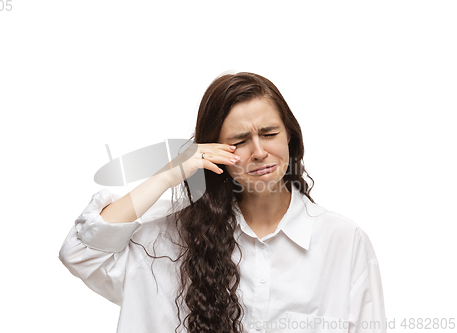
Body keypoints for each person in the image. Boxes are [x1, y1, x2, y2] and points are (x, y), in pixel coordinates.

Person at [59, 72, 386, 333]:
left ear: (290, 136)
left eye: (269, 133)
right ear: (213, 152)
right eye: (239, 142)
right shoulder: (168, 242)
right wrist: (168, 176)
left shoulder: (343, 241)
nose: (258, 151)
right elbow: (81, 252)